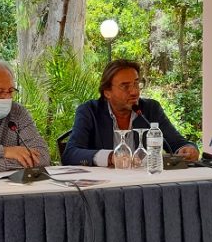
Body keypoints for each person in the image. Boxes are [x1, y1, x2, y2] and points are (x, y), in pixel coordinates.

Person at [62, 59, 199, 167]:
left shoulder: (151, 109)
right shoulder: (89, 111)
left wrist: (188, 149)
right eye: (125, 86)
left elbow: (178, 143)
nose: (134, 92)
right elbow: (70, 154)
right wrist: (110, 157)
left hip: (145, 183)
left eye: (136, 84)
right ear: (107, 92)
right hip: (104, 186)